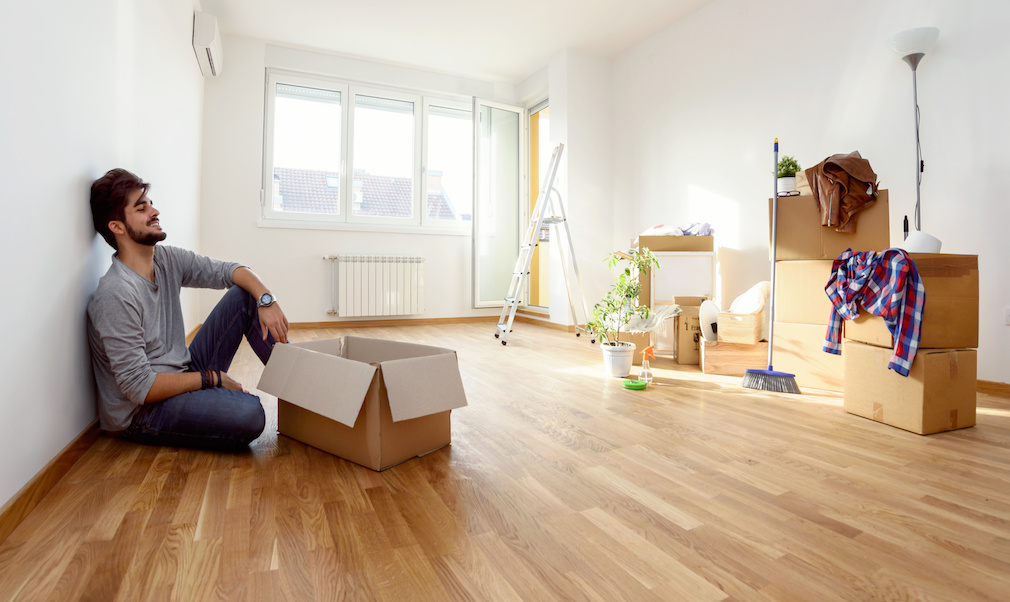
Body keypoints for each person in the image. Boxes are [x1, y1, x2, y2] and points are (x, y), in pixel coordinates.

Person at [86, 168, 289, 450]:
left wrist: (267, 299)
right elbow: (140, 388)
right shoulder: (116, 293)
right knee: (251, 413)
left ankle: (301, 389)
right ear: (117, 227)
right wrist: (213, 379)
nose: (154, 211)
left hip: (182, 372)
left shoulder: (167, 259)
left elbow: (231, 271)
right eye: (141, 207)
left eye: (151, 202)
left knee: (245, 295)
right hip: (143, 411)